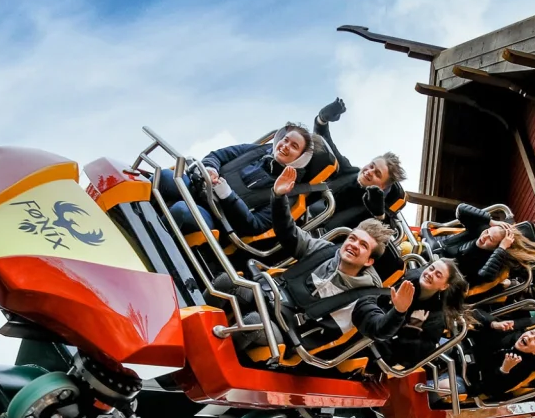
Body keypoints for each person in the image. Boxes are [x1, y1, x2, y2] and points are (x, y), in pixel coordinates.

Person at [209, 165, 413, 356]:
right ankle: (194, 324)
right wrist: (279, 197)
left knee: (253, 323)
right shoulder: (324, 250)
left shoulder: (363, 297)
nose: (353, 245)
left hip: (291, 329)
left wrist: (399, 311)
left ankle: (212, 355)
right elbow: (289, 234)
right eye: (352, 238)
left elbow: (378, 328)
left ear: (369, 261)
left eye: (363, 246)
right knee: (226, 282)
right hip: (271, 297)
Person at [158, 123, 316, 237]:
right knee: (165, 176)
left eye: (294, 146)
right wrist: (211, 169)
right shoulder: (257, 151)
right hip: (200, 189)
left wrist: (228, 196)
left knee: (182, 210)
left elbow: (256, 225)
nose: (285, 146)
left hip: (218, 218)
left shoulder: (286, 194)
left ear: (300, 158)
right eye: (286, 140)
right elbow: (218, 155)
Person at [354, 258, 469, 369]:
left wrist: (412, 329)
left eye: (438, 275)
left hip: (381, 352)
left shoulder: (436, 316)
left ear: (444, 286)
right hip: (366, 327)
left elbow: (413, 357)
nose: (430, 274)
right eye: (431, 268)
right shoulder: (405, 279)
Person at [312, 97, 407, 229]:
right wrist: (322, 119)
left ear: (383, 186)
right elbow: (325, 144)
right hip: (305, 216)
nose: (369, 171)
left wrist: (378, 216)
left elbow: (384, 233)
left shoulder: (380, 209)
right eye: (371, 166)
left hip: (326, 240)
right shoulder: (348, 170)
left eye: (377, 174)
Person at [431, 203, 535, 291]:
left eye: (491, 239)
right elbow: (461, 209)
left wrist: (501, 249)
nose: (484, 237)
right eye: (488, 232)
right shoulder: (481, 229)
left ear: (498, 247)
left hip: (441, 275)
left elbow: (485, 276)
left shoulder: (497, 262)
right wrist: (490, 221)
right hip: (434, 249)